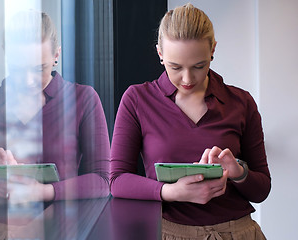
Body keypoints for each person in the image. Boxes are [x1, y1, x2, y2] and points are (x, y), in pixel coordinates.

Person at [110, 3, 271, 239]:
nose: (187, 79)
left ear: (213, 50)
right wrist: (170, 192)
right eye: (176, 67)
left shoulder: (241, 102)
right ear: (160, 53)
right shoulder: (137, 99)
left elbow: (262, 189)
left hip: (239, 232)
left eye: (199, 66)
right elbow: (117, 181)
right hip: (169, 233)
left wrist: (237, 171)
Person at [0, 10, 110, 239]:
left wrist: (39, 191)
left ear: (56, 55)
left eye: (38, 69)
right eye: (17, 68)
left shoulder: (83, 99)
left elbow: (103, 180)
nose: (27, 81)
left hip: (55, 230)